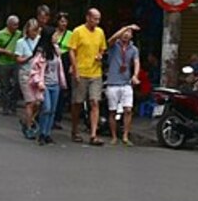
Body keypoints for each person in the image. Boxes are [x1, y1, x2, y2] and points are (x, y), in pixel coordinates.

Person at [66, 9, 138, 146]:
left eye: (98, 19)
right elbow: (72, 51)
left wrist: (100, 55)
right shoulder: (78, 31)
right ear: (87, 17)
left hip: (95, 73)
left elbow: (102, 48)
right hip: (81, 72)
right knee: (78, 103)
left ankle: (93, 135)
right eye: (94, 19)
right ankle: (74, 130)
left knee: (95, 102)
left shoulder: (100, 32)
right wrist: (75, 69)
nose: (96, 22)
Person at [103, 26, 141, 147]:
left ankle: (125, 135)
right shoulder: (114, 46)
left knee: (128, 110)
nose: (126, 34)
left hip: (126, 83)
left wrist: (135, 75)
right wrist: (127, 27)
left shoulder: (133, 49)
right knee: (112, 111)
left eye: (128, 32)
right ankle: (114, 136)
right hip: (113, 82)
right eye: (124, 32)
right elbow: (111, 39)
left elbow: (136, 62)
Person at [33, 17, 65, 145]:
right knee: (46, 108)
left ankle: (47, 133)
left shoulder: (56, 50)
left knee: (52, 110)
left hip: (55, 83)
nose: (57, 36)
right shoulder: (42, 53)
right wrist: (39, 82)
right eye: (54, 34)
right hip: (44, 84)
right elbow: (35, 70)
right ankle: (41, 132)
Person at [14, 17, 45, 139]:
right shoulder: (21, 42)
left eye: (36, 30)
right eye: (33, 30)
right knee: (30, 102)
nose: (35, 33)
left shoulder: (39, 40)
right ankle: (29, 127)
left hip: (36, 75)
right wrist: (28, 57)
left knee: (38, 101)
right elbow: (18, 59)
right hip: (25, 73)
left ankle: (28, 119)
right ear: (27, 30)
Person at [0, 15, 22, 115]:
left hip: (16, 62)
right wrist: (5, 51)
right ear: (9, 25)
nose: (16, 27)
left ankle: (13, 104)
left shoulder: (19, 34)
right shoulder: (1, 34)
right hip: (4, 63)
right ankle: (5, 107)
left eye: (17, 25)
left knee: (17, 83)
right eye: (14, 25)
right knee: (5, 85)